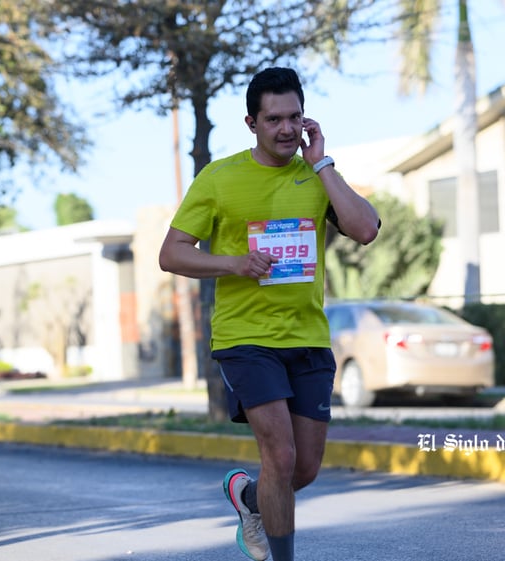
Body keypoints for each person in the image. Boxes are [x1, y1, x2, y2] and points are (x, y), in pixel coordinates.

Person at [158, 67, 380, 561]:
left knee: (303, 469)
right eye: (274, 118)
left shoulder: (318, 176)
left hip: (308, 337)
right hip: (246, 338)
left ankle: (248, 498)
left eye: (294, 117)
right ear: (251, 123)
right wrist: (234, 263)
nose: (285, 128)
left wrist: (322, 165)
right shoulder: (219, 178)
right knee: (279, 456)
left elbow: (365, 229)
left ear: (306, 119)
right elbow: (171, 253)